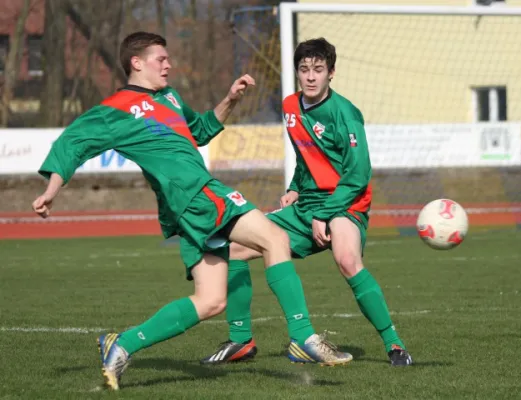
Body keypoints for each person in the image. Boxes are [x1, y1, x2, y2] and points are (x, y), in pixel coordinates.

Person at [31, 32, 352, 391]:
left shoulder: (169, 97)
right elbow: (72, 143)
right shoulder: (115, 109)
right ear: (136, 63)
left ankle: (122, 344)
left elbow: (198, 130)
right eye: (160, 59)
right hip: (196, 195)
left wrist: (229, 100)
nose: (168, 64)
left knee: (211, 300)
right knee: (274, 237)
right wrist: (51, 189)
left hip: (188, 209)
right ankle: (304, 337)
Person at [201, 38, 413, 367]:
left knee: (346, 259)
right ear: (297, 74)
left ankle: (394, 344)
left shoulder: (346, 113)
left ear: (331, 73)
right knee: (233, 248)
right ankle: (241, 340)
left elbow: (358, 175)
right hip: (307, 206)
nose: (311, 77)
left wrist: (325, 214)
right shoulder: (290, 107)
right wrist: (295, 187)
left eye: (318, 69)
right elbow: (306, 155)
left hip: (344, 203)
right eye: (304, 70)